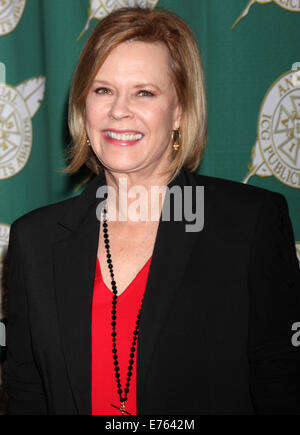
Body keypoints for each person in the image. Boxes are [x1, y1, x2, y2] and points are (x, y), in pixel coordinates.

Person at [3, 6, 300, 415]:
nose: (119, 110)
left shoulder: (248, 224)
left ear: (179, 111)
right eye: (102, 90)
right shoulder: (32, 240)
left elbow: (281, 383)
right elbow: (27, 391)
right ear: (82, 105)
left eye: (144, 92)